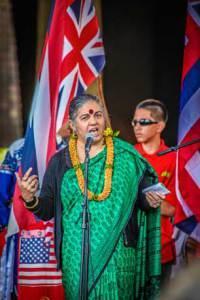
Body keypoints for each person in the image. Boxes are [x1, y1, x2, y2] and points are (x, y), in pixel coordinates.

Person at [16, 93, 162, 300]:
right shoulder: (60, 162)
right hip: (76, 254)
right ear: (73, 125)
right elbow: (47, 209)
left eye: (98, 116)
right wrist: (30, 198)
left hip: (119, 253)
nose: (94, 121)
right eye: (85, 118)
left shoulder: (126, 156)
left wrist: (150, 200)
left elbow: (142, 197)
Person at [132, 99, 177, 287]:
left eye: (143, 122)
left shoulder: (174, 159)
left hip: (161, 250)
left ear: (160, 126)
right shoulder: (128, 157)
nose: (137, 127)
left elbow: (174, 209)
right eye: (134, 122)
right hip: (131, 250)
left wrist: (146, 198)